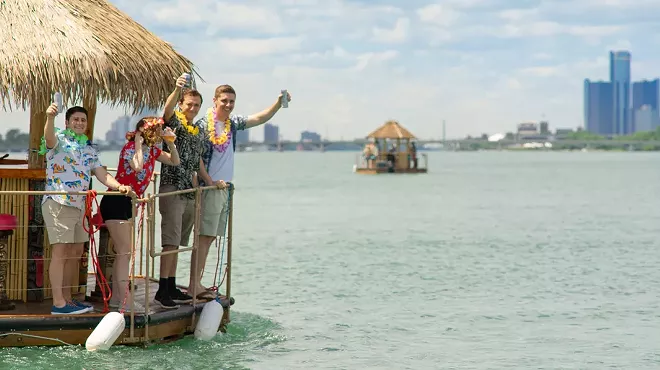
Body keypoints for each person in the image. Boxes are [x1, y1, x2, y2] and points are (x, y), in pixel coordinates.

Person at [191, 85, 292, 299]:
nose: (228, 105)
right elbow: (195, 158)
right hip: (210, 188)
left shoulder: (232, 124)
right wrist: (208, 181)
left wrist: (278, 104)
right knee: (203, 236)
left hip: (225, 189)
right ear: (215, 101)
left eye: (231, 101)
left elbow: (259, 118)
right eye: (224, 101)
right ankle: (193, 285)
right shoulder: (202, 125)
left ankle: (197, 283)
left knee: (210, 238)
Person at [41, 103, 132, 315]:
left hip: (80, 205)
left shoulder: (90, 148)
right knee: (60, 251)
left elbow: (102, 174)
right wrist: (49, 118)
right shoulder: (58, 139)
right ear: (67, 122)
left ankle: (69, 299)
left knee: (74, 252)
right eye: (75, 119)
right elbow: (48, 139)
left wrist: (119, 186)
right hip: (58, 202)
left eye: (83, 120)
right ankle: (58, 303)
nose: (80, 123)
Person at [99, 117, 180, 313]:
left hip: (130, 203)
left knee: (124, 253)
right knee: (124, 252)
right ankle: (124, 301)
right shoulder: (130, 148)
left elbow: (175, 161)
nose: (155, 134)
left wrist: (171, 143)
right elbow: (137, 166)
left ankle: (118, 300)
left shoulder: (153, 151)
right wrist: (137, 143)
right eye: (152, 130)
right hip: (117, 200)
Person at [154, 74, 206, 309]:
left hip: (188, 191)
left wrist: (202, 184)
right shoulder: (174, 123)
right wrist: (176, 90)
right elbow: (166, 111)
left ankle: (172, 285)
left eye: (197, 105)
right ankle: (162, 290)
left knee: (179, 241)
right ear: (181, 105)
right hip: (172, 187)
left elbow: (197, 162)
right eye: (189, 104)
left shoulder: (198, 131)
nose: (193, 109)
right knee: (170, 241)